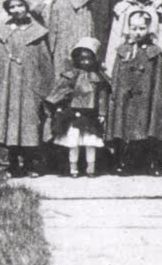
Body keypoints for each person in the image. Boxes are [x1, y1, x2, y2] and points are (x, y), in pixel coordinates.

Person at [0, 0, 54, 176]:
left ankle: (30, 163)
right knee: (10, 122)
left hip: (30, 86)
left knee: (29, 123)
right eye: (12, 7)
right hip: (8, 86)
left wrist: (44, 88)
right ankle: (13, 163)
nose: (16, 10)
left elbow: (45, 63)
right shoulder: (3, 32)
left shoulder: (38, 32)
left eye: (20, 5)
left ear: (27, 6)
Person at [106, 7, 162, 174]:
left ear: (149, 29)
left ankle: (151, 162)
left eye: (142, 28)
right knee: (125, 128)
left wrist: (156, 97)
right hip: (126, 98)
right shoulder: (123, 51)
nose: (138, 32)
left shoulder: (155, 52)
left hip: (146, 97)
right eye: (133, 28)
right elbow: (116, 74)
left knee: (148, 128)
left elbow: (159, 77)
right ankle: (123, 162)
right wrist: (117, 94)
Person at [45, 36, 112, 177]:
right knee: (73, 143)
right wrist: (59, 106)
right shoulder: (71, 75)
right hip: (73, 114)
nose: (85, 62)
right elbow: (60, 92)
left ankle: (90, 168)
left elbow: (102, 96)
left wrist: (102, 112)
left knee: (90, 143)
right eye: (82, 58)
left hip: (90, 116)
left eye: (89, 58)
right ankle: (73, 168)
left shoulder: (98, 77)